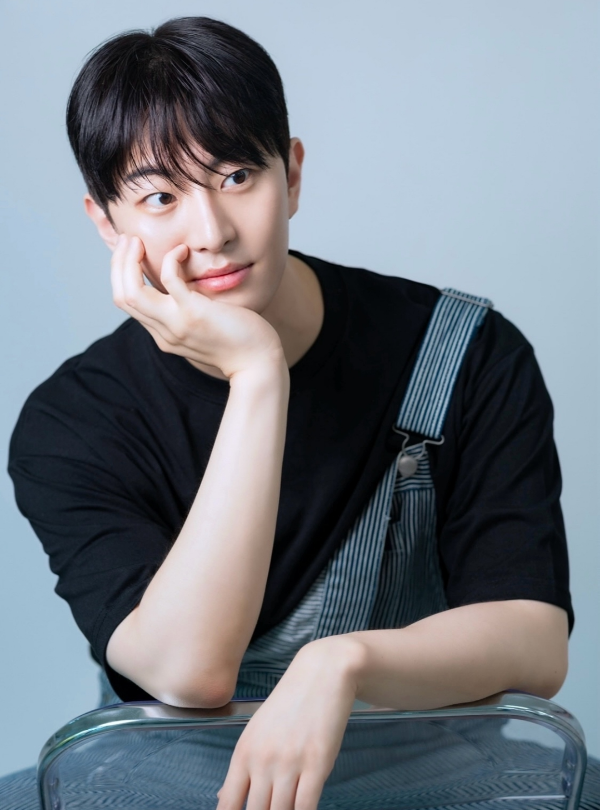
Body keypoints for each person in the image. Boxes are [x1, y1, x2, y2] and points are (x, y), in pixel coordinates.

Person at [3, 14, 598, 810]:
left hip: (435, 771)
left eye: (237, 176)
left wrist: (342, 664)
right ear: (107, 223)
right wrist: (257, 375)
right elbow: (190, 673)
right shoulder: (72, 423)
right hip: (170, 782)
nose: (212, 231)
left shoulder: (464, 352)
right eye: (160, 197)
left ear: (293, 173)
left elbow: (534, 639)